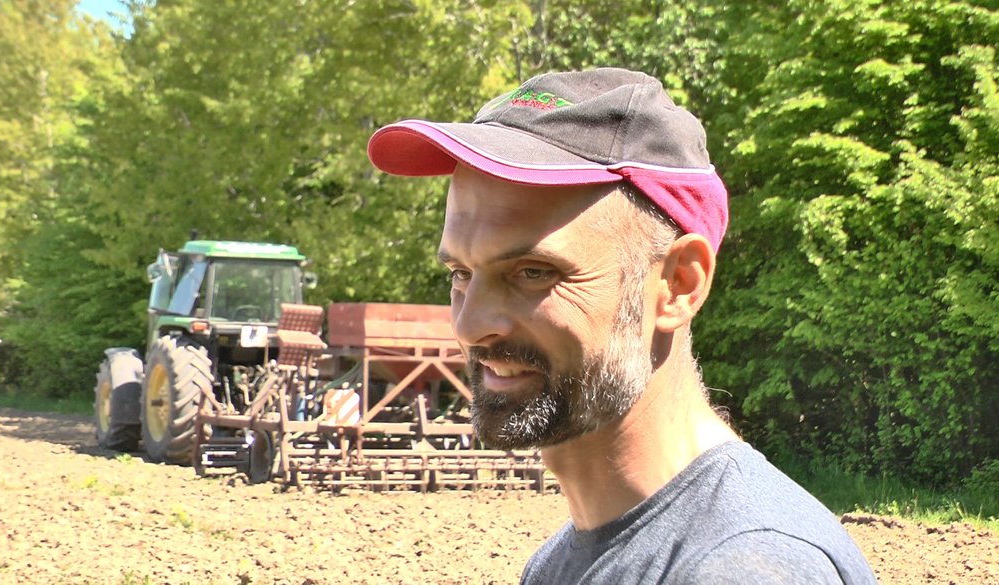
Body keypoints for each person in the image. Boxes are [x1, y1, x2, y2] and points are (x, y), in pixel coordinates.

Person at [366, 67, 877, 584]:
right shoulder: (560, 564)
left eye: (533, 272)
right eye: (460, 273)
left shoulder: (744, 567)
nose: (470, 325)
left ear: (678, 285)